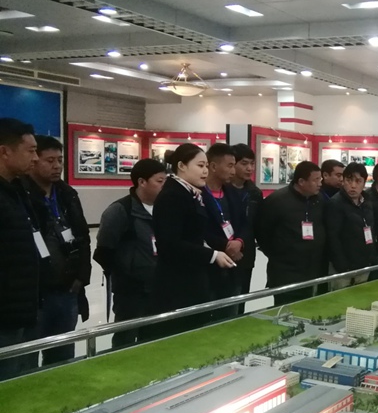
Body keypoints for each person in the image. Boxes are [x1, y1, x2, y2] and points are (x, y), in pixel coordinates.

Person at [150, 144, 236, 336]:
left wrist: (218, 247)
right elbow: (170, 244)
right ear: (182, 166)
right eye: (200, 165)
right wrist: (212, 255)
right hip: (176, 284)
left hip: (192, 278)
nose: (205, 171)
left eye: (206, 166)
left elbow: (195, 233)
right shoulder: (172, 196)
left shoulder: (191, 193)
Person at [22, 135, 91, 366]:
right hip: (36, 293)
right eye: (50, 160)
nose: (57, 166)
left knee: (62, 355)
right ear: (34, 161)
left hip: (67, 288)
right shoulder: (21, 195)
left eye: (60, 160)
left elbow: (83, 237)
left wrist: (82, 276)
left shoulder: (67, 194)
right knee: (27, 359)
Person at [94, 159, 166, 347]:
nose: (164, 186)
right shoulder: (120, 211)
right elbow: (104, 250)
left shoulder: (165, 209)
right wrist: (128, 270)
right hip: (130, 292)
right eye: (160, 181)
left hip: (159, 286)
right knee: (126, 339)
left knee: (154, 338)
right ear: (142, 182)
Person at [0, 118, 41, 380]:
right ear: (5, 151)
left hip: (22, 311)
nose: (35, 158)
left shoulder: (17, 192)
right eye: (30, 151)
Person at [255, 161, 327, 305]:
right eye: (315, 180)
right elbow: (262, 232)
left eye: (320, 179)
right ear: (301, 181)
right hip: (286, 271)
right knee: (285, 309)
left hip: (312, 269)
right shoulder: (277, 201)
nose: (320, 183)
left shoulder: (319, 200)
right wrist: (279, 254)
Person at [201, 143, 245, 320]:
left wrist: (239, 242)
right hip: (207, 266)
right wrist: (225, 245)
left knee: (230, 317)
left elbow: (244, 222)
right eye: (230, 166)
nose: (234, 171)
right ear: (213, 166)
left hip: (233, 265)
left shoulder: (232, 193)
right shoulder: (198, 194)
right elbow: (199, 229)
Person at [326, 163, 378, 289]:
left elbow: (371, 230)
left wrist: (371, 258)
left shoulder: (367, 202)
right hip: (343, 269)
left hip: (364, 264)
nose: (353, 185)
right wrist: (342, 266)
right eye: (349, 180)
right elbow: (332, 237)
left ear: (364, 182)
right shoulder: (335, 203)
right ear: (343, 181)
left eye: (358, 181)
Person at [229, 143, 262, 302]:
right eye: (244, 163)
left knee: (241, 298)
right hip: (223, 251)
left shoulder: (255, 193)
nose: (249, 168)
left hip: (246, 254)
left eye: (252, 164)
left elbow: (256, 224)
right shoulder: (221, 189)